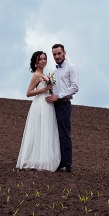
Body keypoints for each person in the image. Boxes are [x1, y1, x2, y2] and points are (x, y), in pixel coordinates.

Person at [16, 51, 61, 172]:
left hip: (47, 104)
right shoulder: (36, 75)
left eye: (44, 59)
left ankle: (43, 159)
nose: (43, 61)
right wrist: (45, 89)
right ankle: (33, 158)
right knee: (39, 129)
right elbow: (28, 92)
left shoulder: (45, 74)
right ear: (36, 62)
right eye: (40, 59)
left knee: (46, 129)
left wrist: (50, 91)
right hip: (40, 104)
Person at [46, 44, 79, 173]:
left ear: (64, 53)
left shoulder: (71, 68)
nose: (57, 56)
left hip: (64, 104)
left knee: (64, 134)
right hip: (54, 105)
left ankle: (67, 164)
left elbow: (75, 87)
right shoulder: (54, 72)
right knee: (55, 134)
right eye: (54, 54)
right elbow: (53, 89)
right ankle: (58, 162)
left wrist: (58, 96)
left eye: (59, 53)